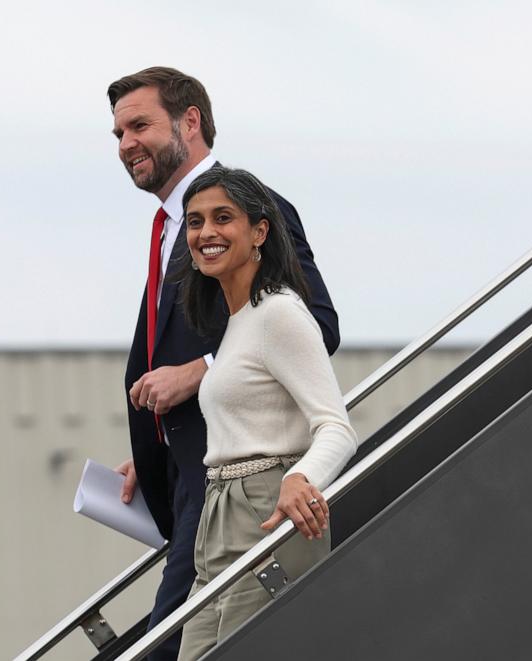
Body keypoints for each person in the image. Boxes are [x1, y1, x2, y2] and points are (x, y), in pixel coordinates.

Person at [107, 67, 340, 661]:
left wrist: (196, 372)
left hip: (252, 493)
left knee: (167, 644)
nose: (126, 143)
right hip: (202, 480)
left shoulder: (244, 206)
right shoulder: (169, 229)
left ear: (190, 122)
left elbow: (316, 324)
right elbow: (229, 351)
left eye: (139, 125)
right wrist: (158, 441)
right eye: (117, 134)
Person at [174, 165, 357, 660]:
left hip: (268, 511)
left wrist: (301, 478)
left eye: (222, 218)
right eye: (194, 221)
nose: (206, 232)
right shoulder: (237, 323)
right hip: (220, 513)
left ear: (259, 231)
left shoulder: (279, 312)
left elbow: (337, 427)